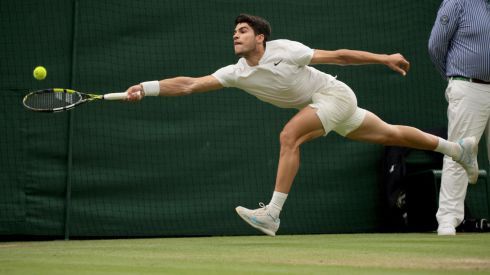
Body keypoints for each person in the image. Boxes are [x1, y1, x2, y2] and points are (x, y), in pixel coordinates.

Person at [126, 14, 478, 236]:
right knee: (390, 133)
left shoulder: (286, 50)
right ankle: (457, 149)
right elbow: (189, 84)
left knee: (288, 136)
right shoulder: (236, 72)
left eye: (243, 30)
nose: (236, 35)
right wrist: (147, 88)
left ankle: (272, 215)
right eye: (234, 31)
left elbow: (338, 56)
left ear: (260, 37)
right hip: (325, 105)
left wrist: (383, 58)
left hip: (334, 95)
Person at [428, 0, 490, 236]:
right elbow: (436, 46)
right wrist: (455, 77)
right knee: (458, 152)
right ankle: (448, 219)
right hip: (468, 86)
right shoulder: (458, 2)